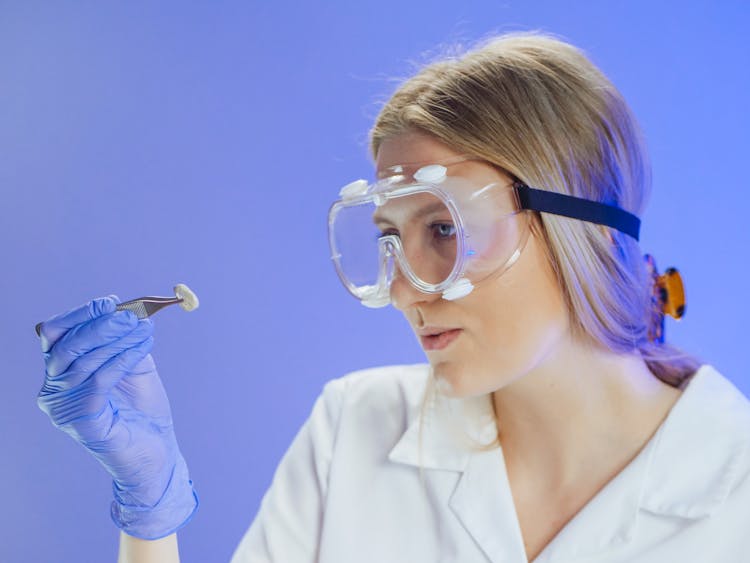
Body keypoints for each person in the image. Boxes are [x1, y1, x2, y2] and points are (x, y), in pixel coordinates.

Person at [36, 32, 750, 563]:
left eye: (443, 227)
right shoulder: (356, 427)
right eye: (388, 237)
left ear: (572, 227)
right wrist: (151, 517)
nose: (404, 287)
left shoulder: (734, 485)